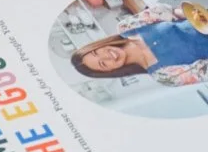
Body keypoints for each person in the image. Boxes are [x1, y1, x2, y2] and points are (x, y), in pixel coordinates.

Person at [70, 5, 208, 89]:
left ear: (98, 45)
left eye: (96, 52)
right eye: (103, 63)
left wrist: (191, 14)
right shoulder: (163, 76)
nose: (107, 55)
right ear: (110, 71)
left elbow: (167, 11)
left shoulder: (126, 27)